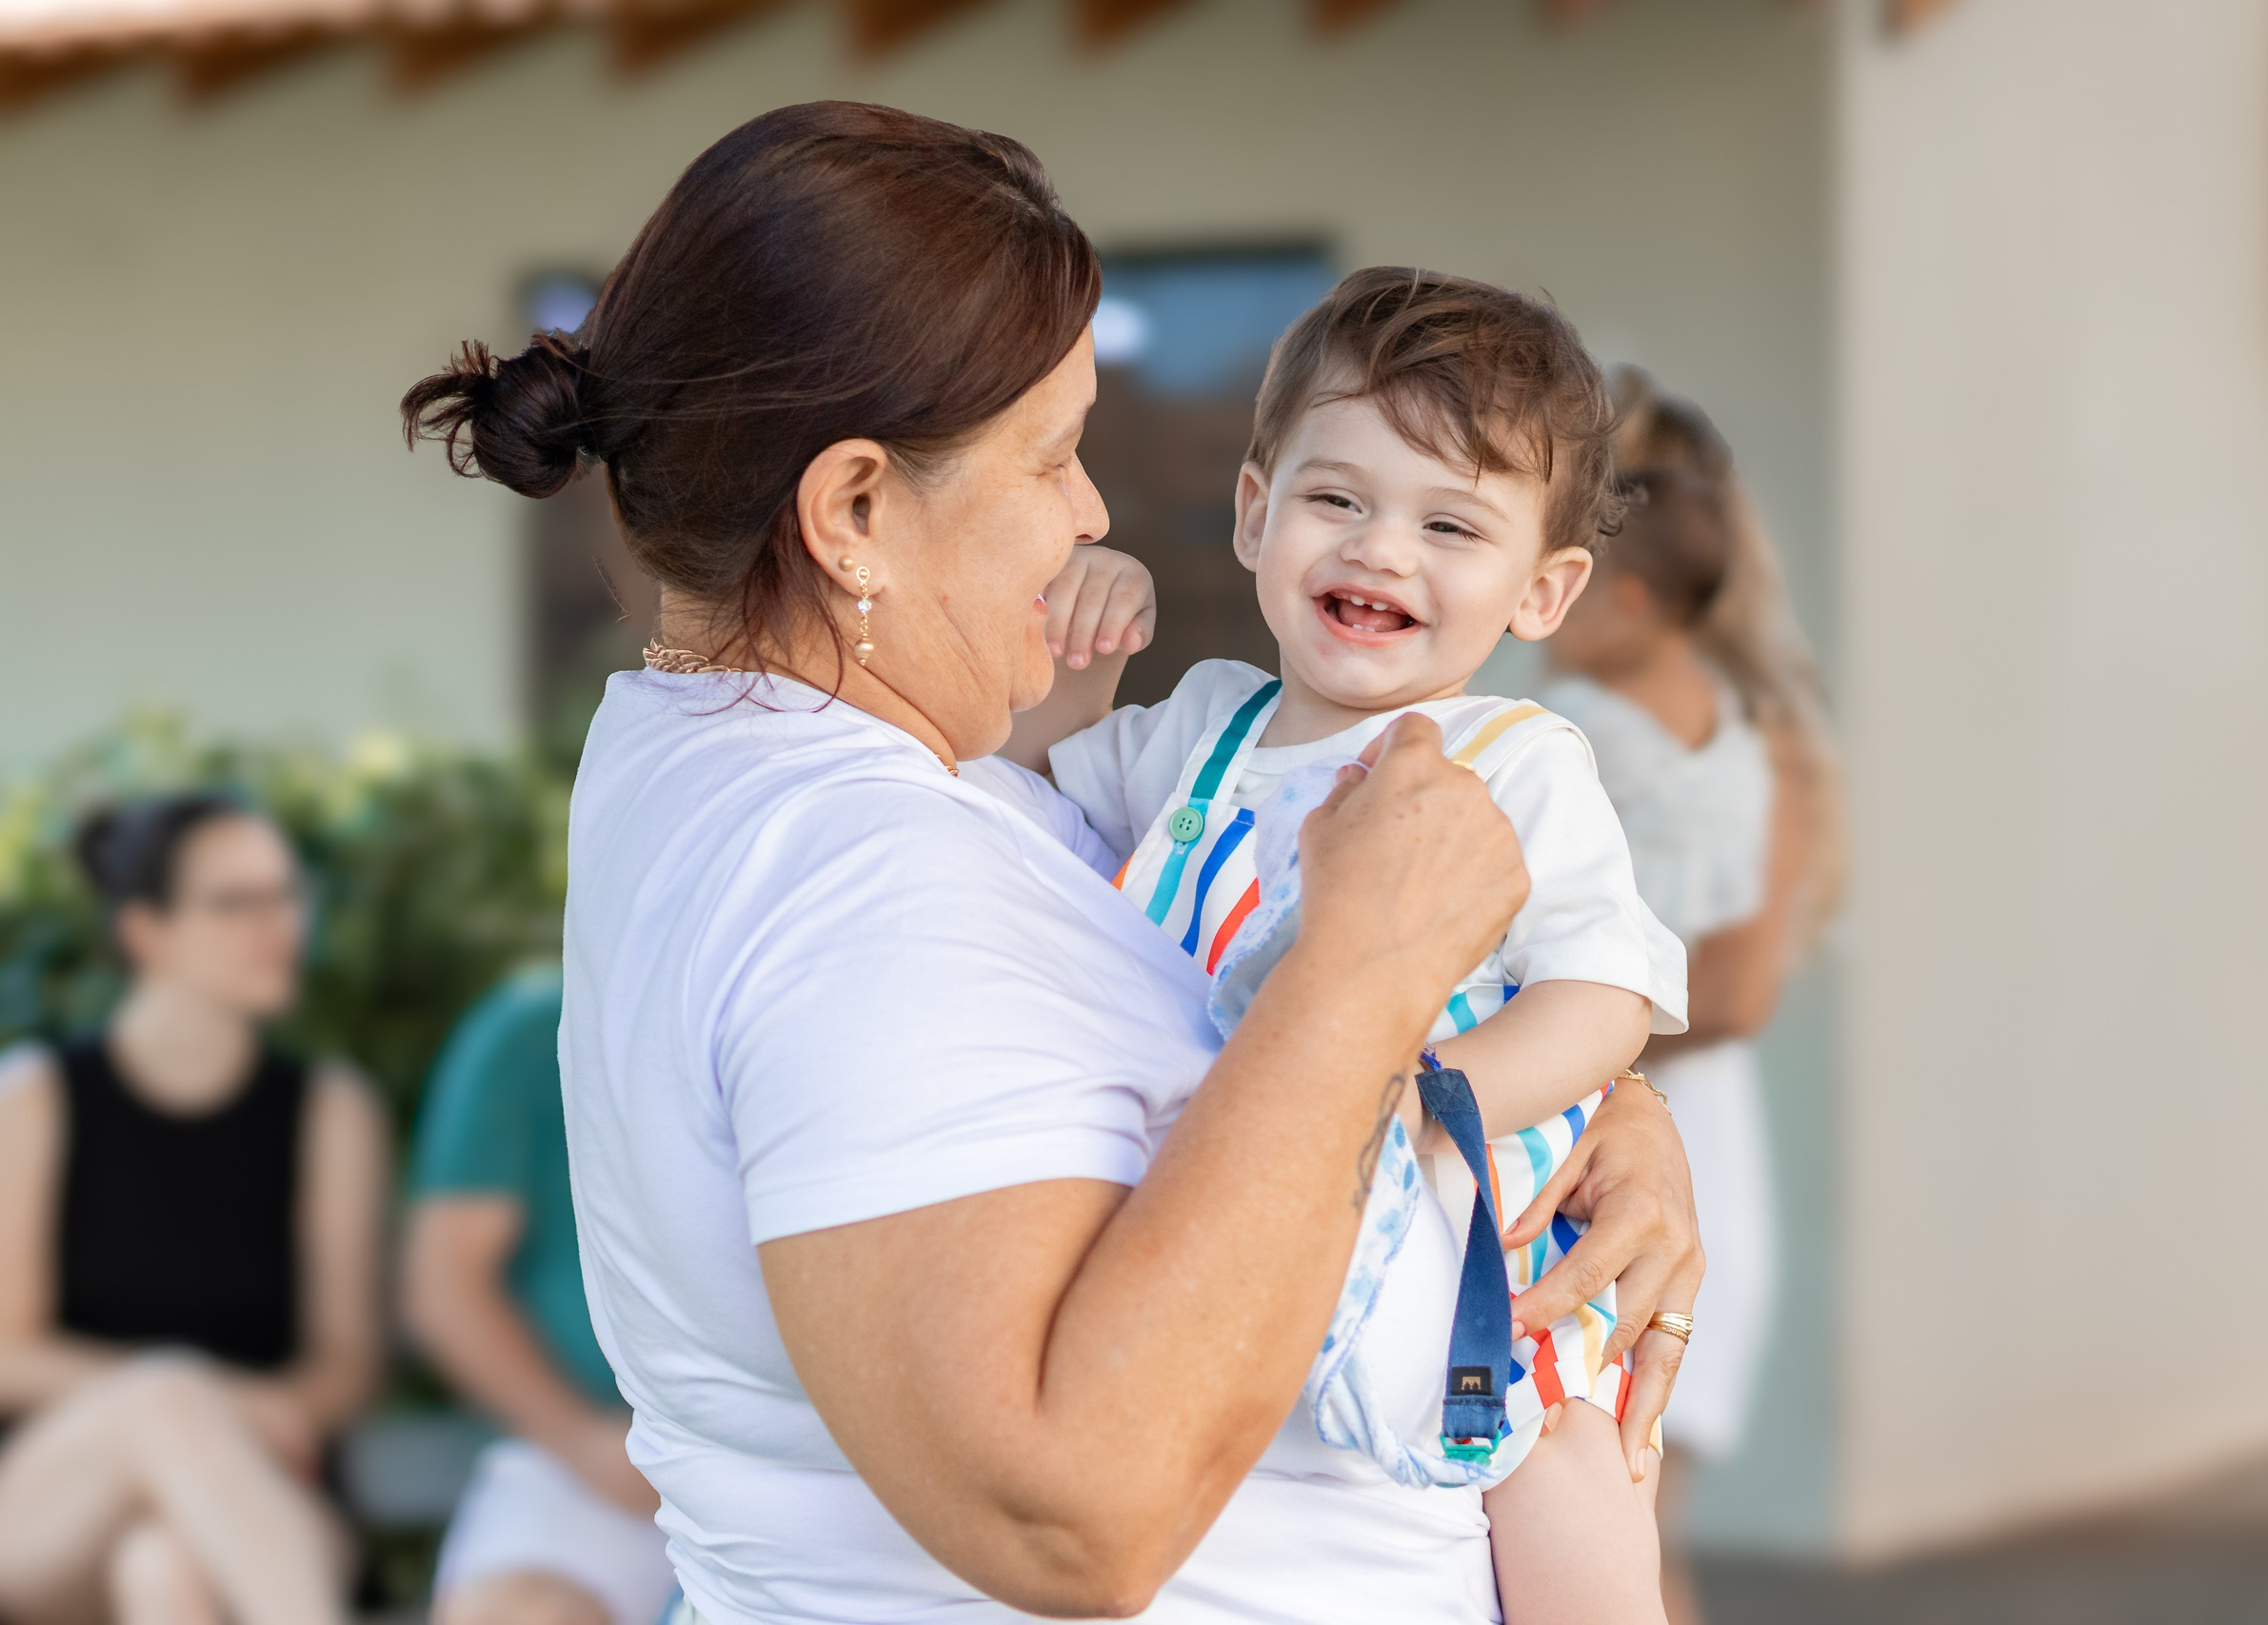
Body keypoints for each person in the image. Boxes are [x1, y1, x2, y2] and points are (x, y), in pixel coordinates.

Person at [400, 101, 1701, 1625]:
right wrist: (1369, 986)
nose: (1090, 512)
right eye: (1055, 455)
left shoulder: (789, 771)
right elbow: (1069, 1514)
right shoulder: (853, 873)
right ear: (857, 510)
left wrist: (1596, 1100)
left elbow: (1143, 951)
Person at [1011, 268, 1695, 1625]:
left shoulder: (1517, 760)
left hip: (1477, 1250)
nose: (1383, 550)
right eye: (1338, 500)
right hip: (1243, 1228)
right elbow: (1025, 795)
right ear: (1255, 512)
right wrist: (1078, 626)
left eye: (1452, 524)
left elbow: (1606, 991)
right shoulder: (1198, 728)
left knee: (1566, 1486)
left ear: (1544, 591)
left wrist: (1430, 1101)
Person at [1542, 373, 1843, 1625]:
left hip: (1634, 1139)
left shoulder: (1574, 730)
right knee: (1623, 1528)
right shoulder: (1739, 737)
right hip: (1684, 1139)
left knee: (1611, 1527)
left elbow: (1735, 988)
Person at [0, 795, 388, 1625]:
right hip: (54, 1507)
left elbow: (346, 1365)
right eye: (235, 901)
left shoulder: (332, 1111)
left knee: (166, 1570)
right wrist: (205, 1398)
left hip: (269, 1495)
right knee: (166, 1395)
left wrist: (228, 1421)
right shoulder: (37, 1099)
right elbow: (8, 1353)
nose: (279, 923)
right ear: (145, 930)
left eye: (286, 894)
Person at [403, 970, 674, 1625]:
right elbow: (445, 1288)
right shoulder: (533, 1031)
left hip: (829, 1465)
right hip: (591, 1463)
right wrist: (585, 1442)